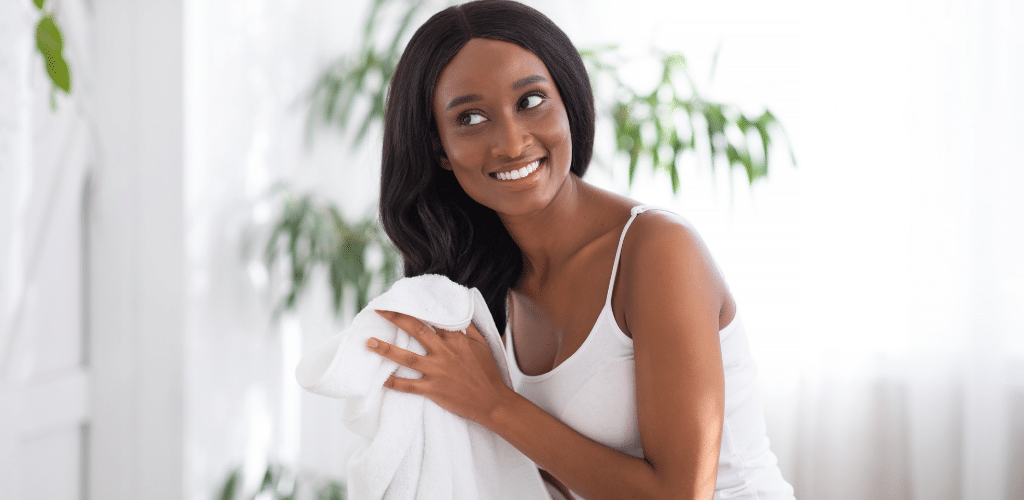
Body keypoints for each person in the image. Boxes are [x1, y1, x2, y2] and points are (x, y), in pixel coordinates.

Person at [367, 1, 795, 498]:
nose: (510, 142)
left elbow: (681, 494)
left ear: (568, 101)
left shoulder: (657, 251)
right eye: (471, 117)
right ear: (439, 148)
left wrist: (493, 404)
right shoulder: (482, 285)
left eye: (530, 101)